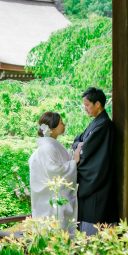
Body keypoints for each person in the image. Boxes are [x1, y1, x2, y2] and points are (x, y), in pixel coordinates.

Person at [72, 87, 117, 236]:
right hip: (91, 183)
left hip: (98, 184)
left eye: (87, 105)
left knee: (94, 233)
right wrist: (79, 146)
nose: (85, 109)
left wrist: (79, 151)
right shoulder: (96, 123)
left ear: (97, 104)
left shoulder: (104, 125)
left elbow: (85, 153)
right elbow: (77, 140)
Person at [29, 111, 79, 237]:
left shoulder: (51, 146)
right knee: (56, 235)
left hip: (55, 200)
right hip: (52, 204)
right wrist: (74, 161)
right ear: (52, 128)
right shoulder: (48, 148)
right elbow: (57, 172)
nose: (64, 125)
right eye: (61, 123)